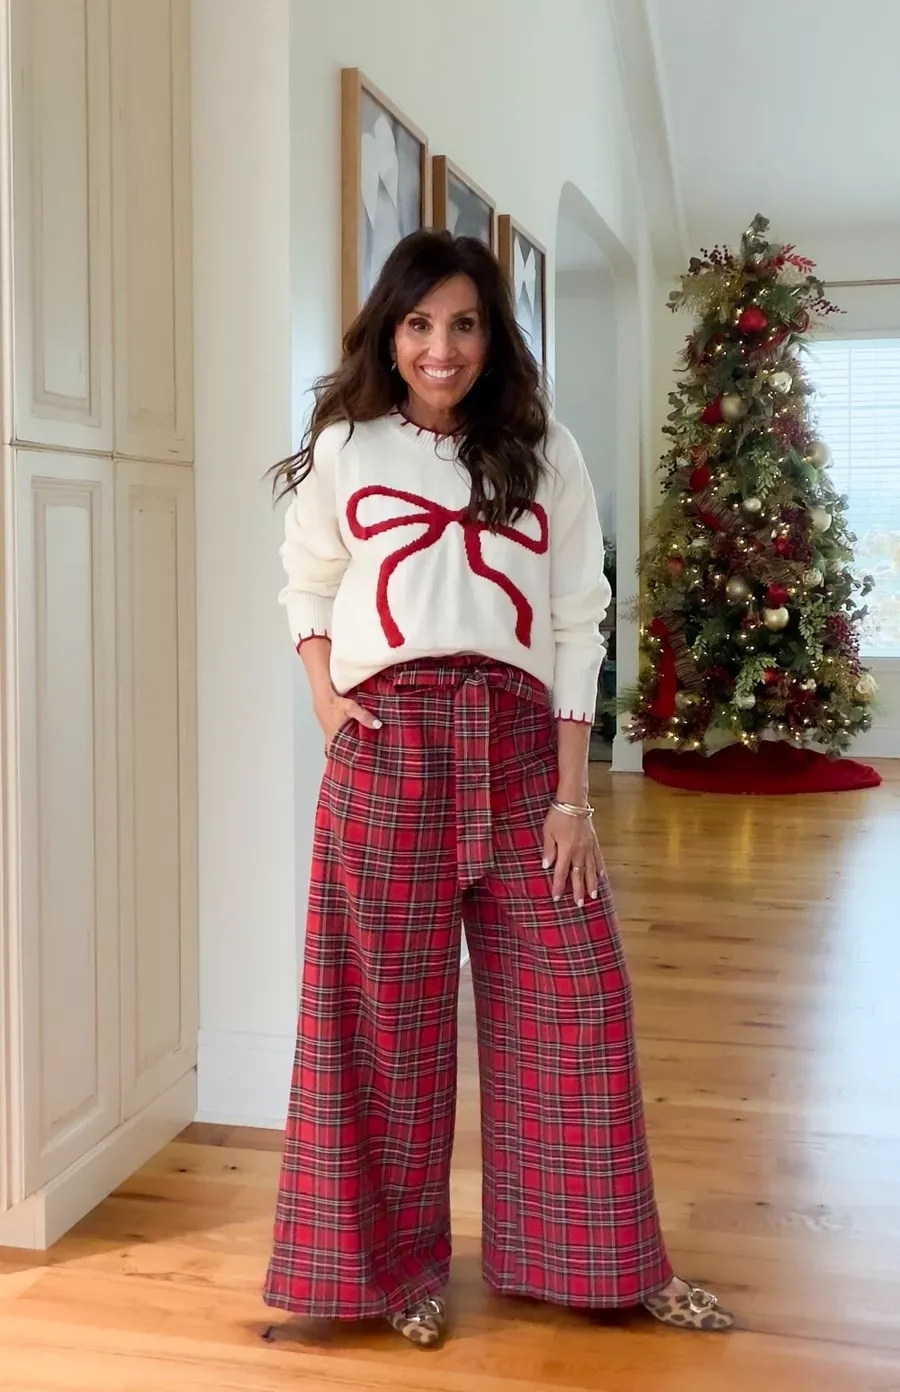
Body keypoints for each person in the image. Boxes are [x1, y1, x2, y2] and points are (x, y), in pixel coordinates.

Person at [263, 230, 734, 1347]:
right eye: (420, 323)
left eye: (465, 323)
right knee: (384, 1025)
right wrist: (331, 703)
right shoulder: (347, 446)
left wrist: (573, 797)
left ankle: (607, 1263)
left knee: (577, 1007)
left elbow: (580, 617)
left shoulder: (545, 448)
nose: (441, 347)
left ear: (493, 335)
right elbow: (309, 580)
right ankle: (394, 1274)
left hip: (525, 751)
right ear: (391, 331)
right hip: (395, 749)